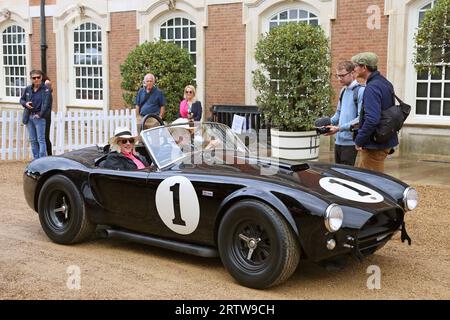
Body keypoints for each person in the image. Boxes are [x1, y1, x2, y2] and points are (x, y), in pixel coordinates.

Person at [352, 52, 398, 173]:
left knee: (371, 182)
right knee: (363, 179)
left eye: (356, 66)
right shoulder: (385, 83)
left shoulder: (372, 87)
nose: (354, 69)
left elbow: (372, 119)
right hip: (383, 140)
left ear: (364, 67)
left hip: (375, 145)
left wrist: (359, 140)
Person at [324, 61, 364, 166]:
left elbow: (360, 118)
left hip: (351, 143)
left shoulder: (360, 91)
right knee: (339, 175)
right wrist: (328, 123)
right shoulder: (343, 91)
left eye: (342, 75)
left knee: (347, 176)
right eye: (337, 76)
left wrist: (339, 128)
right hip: (338, 141)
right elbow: (338, 113)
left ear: (352, 73)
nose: (339, 79)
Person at [20, 70, 52, 159]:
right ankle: (36, 159)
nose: (36, 79)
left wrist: (40, 114)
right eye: (34, 78)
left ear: (41, 77)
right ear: (31, 79)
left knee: (41, 140)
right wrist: (25, 104)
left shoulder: (46, 90)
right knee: (33, 140)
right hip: (29, 117)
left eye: (38, 77)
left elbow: (46, 105)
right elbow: (21, 100)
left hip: (39, 118)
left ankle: (42, 160)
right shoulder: (28, 89)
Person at [41, 72, 53, 156]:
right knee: (41, 138)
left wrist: (47, 84)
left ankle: (49, 155)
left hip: (45, 116)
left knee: (45, 137)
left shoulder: (46, 85)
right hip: (39, 115)